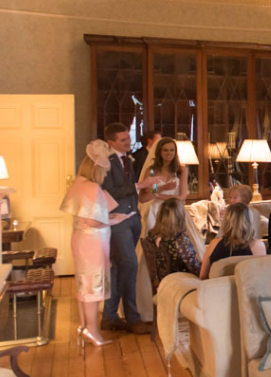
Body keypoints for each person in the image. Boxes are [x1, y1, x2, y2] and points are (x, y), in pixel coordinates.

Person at [60, 140, 138, 347]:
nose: (105, 176)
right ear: (97, 169)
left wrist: (109, 217)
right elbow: (94, 221)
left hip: (79, 238)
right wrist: (115, 219)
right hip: (93, 241)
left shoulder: (78, 184)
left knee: (83, 283)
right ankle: (92, 330)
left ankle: (84, 325)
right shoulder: (93, 188)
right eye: (104, 172)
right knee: (94, 285)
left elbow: (83, 217)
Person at [101, 122, 162, 334]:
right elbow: (108, 191)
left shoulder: (127, 158)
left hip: (132, 217)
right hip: (117, 221)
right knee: (129, 265)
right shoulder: (106, 163)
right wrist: (139, 186)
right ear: (111, 143)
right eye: (123, 139)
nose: (129, 142)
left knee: (119, 267)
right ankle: (132, 318)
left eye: (128, 137)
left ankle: (109, 316)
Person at [200, 203, 266, 279]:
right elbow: (261, 276)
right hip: (247, 289)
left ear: (226, 222)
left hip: (218, 289)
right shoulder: (257, 246)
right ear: (249, 222)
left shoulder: (214, 244)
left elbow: (202, 276)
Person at [148, 198, 202, 277]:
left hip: (163, 279)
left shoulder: (152, 236)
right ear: (180, 217)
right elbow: (195, 269)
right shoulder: (180, 241)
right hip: (181, 280)